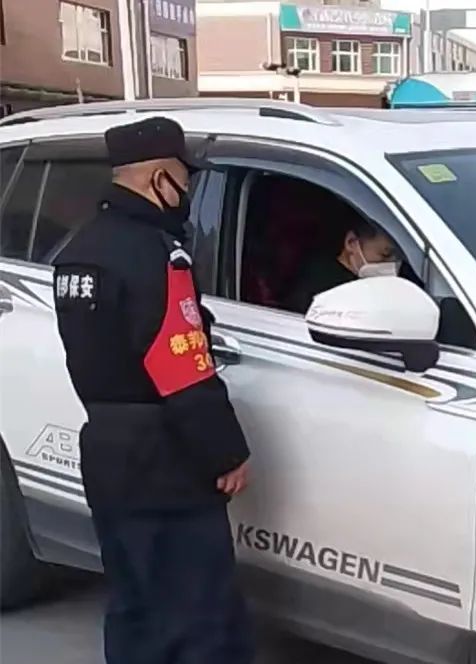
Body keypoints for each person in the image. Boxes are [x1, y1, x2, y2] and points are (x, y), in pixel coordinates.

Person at [51, 117, 254, 664]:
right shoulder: (157, 256)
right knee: (199, 613)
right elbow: (182, 366)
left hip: (106, 450)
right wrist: (227, 452)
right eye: (185, 179)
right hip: (166, 458)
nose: (187, 191)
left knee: (134, 603)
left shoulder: (79, 250)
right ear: (159, 178)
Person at [285, 217, 399, 313]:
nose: (392, 263)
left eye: (398, 257)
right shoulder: (320, 283)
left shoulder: (373, 285)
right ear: (351, 242)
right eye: (385, 255)